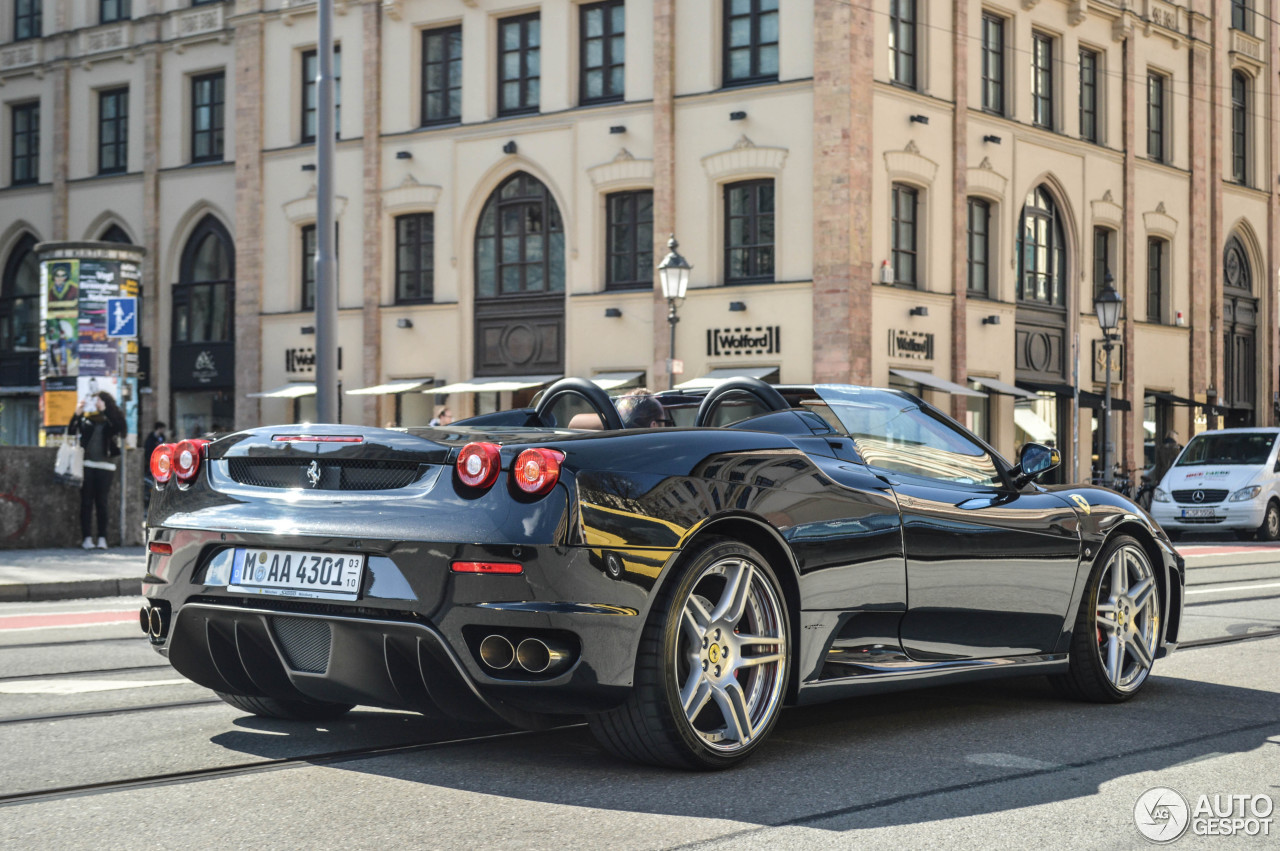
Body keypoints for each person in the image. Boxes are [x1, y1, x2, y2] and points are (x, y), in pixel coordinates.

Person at [68, 391, 126, 549]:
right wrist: (77, 413)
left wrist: (105, 410)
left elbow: (120, 429)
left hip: (106, 465)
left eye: (99, 400)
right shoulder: (86, 419)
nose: (96, 403)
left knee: (102, 502)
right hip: (87, 464)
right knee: (86, 502)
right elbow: (71, 432)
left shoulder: (110, 418)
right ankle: (86, 538)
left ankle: (102, 538)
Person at [142, 421, 167, 509]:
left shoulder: (162, 437)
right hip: (153, 462)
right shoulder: (151, 438)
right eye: (163, 428)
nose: (164, 430)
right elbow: (148, 450)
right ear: (159, 428)